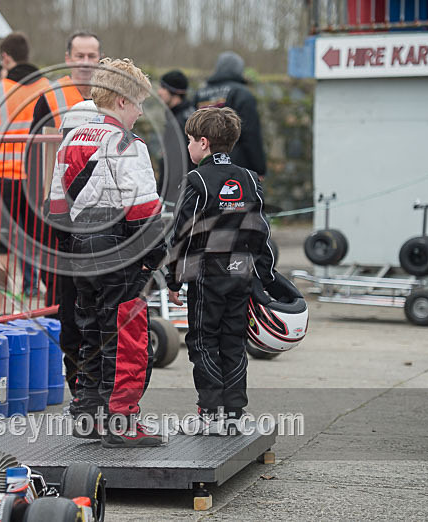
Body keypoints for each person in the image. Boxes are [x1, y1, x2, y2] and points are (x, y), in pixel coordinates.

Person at [47, 58, 166, 448]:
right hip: (119, 247)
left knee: (90, 329)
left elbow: (56, 206)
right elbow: (145, 210)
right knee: (127, 334)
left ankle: (89, 412)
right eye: (138, 103)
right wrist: (157, 255)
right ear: (120, 100)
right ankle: (122, 420)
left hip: (79, 247)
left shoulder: (71, 139)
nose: (140, 111)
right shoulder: (128, 144)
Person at [164, 107, 276, 435]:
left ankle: (209, 413)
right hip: (241, 274)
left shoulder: (197, 180)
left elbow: (182, 233)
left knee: (202, 340)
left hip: (207, 275)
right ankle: (234, 413)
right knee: (233, 341)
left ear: (203, 143)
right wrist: (266, 276)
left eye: (188, 141)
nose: (187, 148)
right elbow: (261, 231)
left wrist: (173, 277)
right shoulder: (248, 179)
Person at [29, 31, 102, 399]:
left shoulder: (110, 95)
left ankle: (96, 384)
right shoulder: (50, 96)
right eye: (80, 55)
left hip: (102, 216)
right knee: (68, 300)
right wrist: (46, 202)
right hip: (64, 214)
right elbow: (38, 153)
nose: (86, 62)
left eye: (93, 55)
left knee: (98, 302)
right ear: (68, 57)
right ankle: (77, 383)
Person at [0, 32, 50, 298]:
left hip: (2, 175)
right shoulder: (48, 87)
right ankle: (31, 286)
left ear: (6, 57)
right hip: (36, 177)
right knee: (32, 235)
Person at [193, 52, 266, 178]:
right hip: (234, 166)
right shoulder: (242, 94)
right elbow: (250, 133)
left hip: (203, 166)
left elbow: (191, 131)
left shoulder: (200, 94)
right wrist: (259, 168)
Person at [157, 69, 195, 205]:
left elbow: (175, 164)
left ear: (174, 92)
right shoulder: (188, 114)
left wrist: (166, 196)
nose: (159, 92)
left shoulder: (178, 122)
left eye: (163, 88)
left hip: (178, 195)